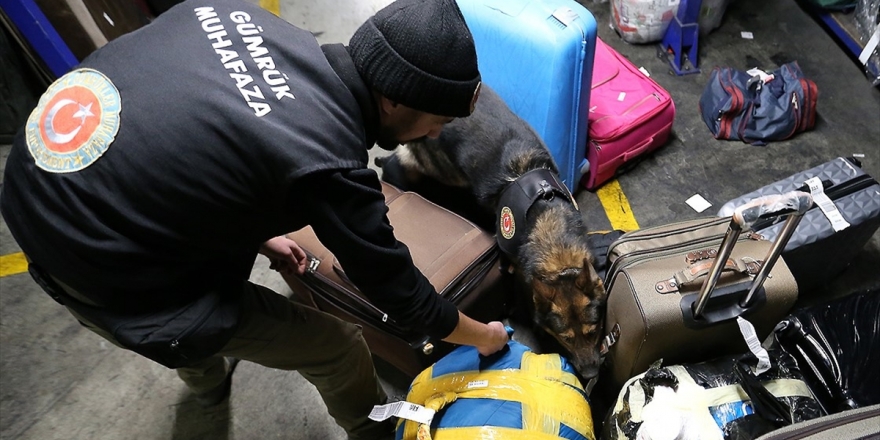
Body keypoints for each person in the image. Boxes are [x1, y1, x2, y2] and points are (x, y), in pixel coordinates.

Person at [0, 0, 510, 438]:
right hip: (108, 273)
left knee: (202, 311)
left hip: (37, 184)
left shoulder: (236, 16)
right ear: (394, 97)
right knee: (338, 348)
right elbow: (405, 299)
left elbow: (187, 131)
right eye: (439, 120)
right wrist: (487, 336)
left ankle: (205, 379)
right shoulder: (328, 159)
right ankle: (371, 427)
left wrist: (263, 234)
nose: (437, 135)